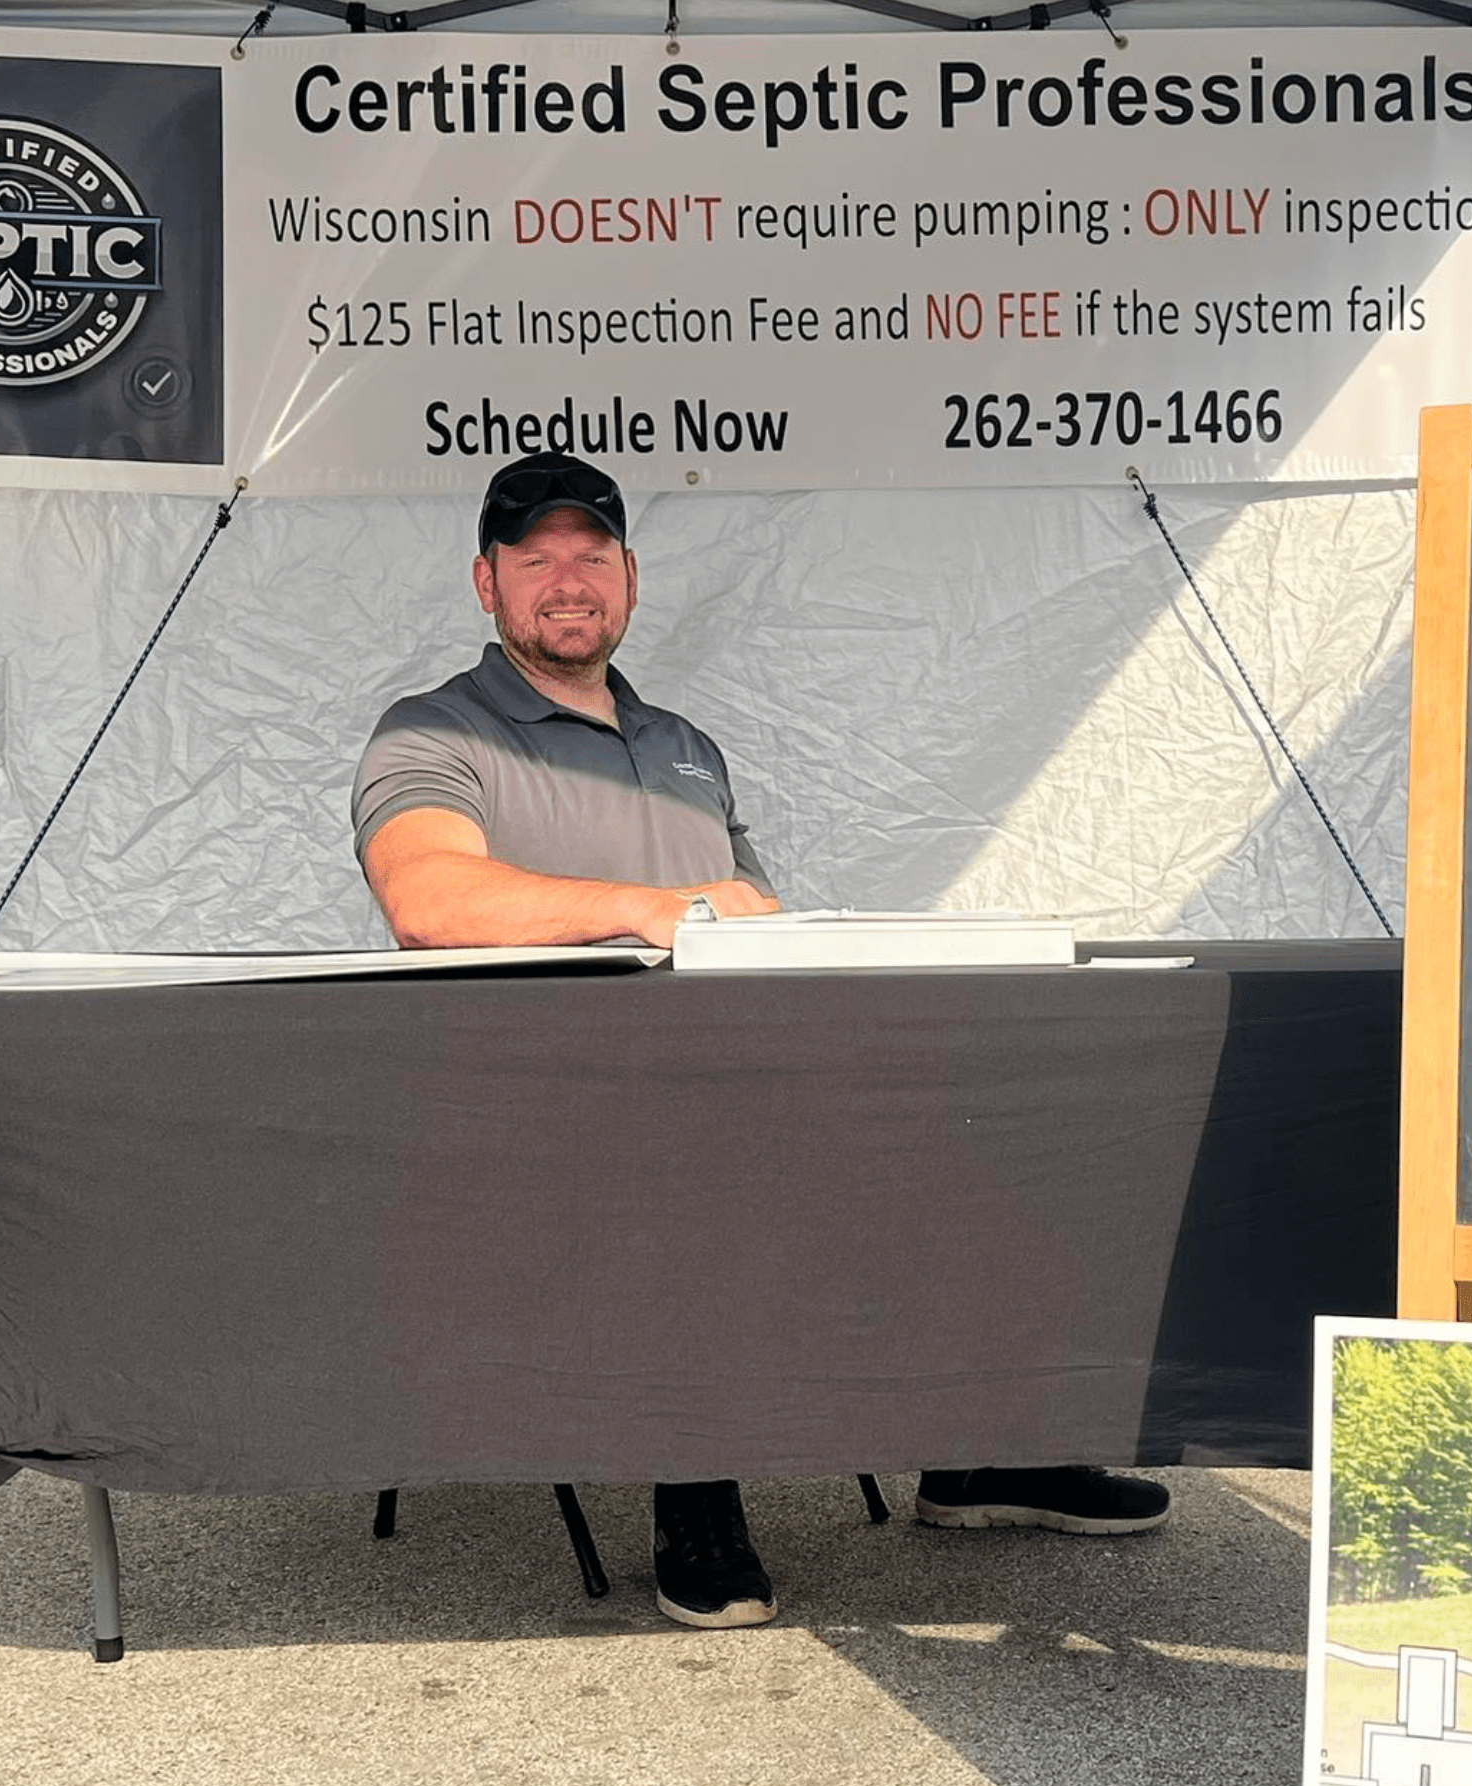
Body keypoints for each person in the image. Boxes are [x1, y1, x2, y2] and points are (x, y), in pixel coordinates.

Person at [351, 449, 1168, 1630]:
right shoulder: (434, 732)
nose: (566, 581)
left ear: (630, 580)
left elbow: (758, 919)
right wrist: (658, 908)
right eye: (535, 560)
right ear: (486, 583)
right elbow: (430, 899)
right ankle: (696, 1481)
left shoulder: (685, 745)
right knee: (691, 1168)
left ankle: (982, 1450)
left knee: (980, 1112)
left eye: (592, 557)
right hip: (550, 1114)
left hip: (733, 1080)